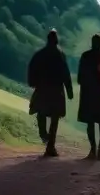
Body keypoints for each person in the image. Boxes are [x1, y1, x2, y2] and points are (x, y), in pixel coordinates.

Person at [27, 29, 73, 157]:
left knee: (40, 112)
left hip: (42, 88)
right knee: (54, 118)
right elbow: (66, 73)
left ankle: (44, 135)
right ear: (56, 40)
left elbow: (32, 68)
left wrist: (32, 82)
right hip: (56, 90)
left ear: (48, 40)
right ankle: (50, 145)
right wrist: (69, 91)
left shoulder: (40, 54)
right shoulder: (60, 54)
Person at [77, 34, 100, 159]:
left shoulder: (85, 56)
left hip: (88, 93)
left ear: (92, 43)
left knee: (90, 122)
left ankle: (92, 151)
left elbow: (79, 78)